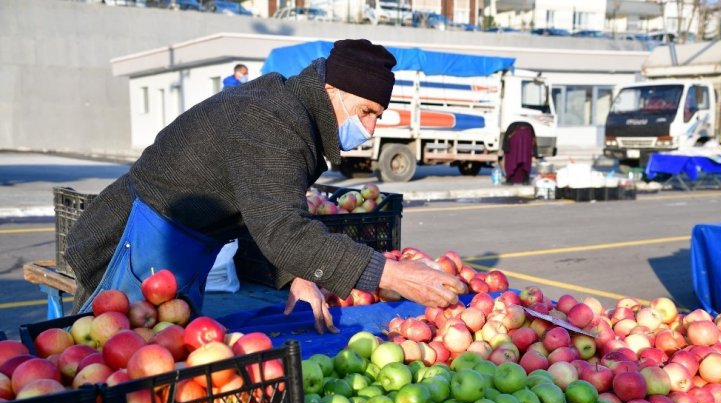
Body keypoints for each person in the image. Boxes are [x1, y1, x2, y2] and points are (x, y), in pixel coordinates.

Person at [65, 39, 466, 335]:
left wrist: (298, 275)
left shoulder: (293, 113)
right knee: (104, 369)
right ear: (332, 92)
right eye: (366, 112)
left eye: (378, 116)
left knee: (154, 356)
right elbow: (282, 230)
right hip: (131, 247)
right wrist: (394, 276)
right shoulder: (272, 120)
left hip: (174, 253)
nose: (372, 128)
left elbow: (259, 207)